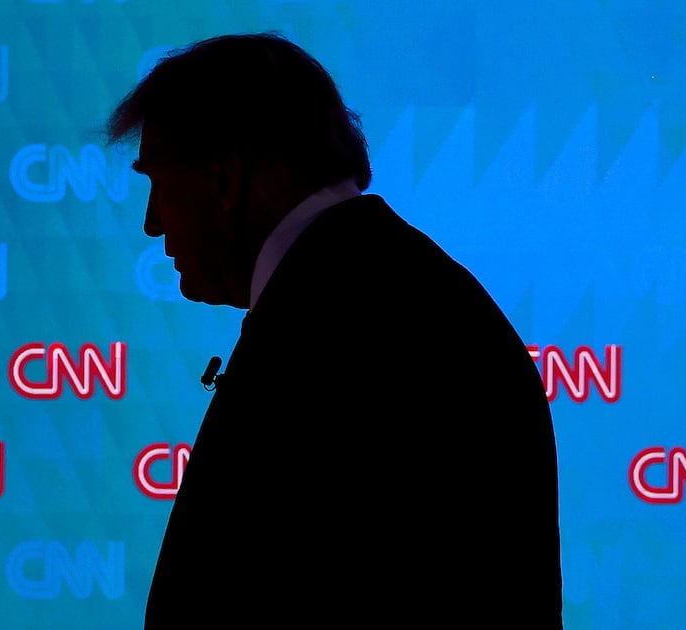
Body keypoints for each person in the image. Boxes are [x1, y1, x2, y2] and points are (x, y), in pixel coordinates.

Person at [105, 32, 562, 628]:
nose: (151, 221)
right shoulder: (378, 290)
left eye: (159, 184)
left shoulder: (342, 324)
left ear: (223, 180)